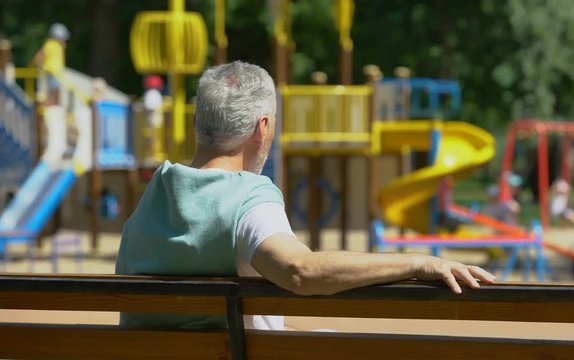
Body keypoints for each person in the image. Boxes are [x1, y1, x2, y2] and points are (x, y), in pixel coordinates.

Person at [115, 61, 495, 330]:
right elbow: (301, 271)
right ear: (262, 129)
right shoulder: (248, 196)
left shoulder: (157, 191)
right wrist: (416, 263)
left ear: (199, 123)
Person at [32, 23, 69, 106]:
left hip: (56, 71)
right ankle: (52, 102)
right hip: (52, 70)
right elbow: (42, 54)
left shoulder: (56, 45)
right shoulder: (51, 44)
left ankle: (54, 102)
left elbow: (42, 54)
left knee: (55, 88)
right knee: (54, 88)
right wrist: (36, 60)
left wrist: (36, 61)